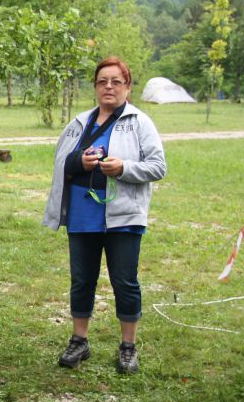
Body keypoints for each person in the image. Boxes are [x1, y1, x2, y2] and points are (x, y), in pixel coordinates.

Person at [44, 57, 166, 374]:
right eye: (102, 81)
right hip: (83, 214)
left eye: (115, 81)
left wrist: (124, 168)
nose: (108, 87)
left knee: (125, 282)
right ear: (96, 87)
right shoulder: (79, 123)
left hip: (124, 217)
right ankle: (79, 340)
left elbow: (158, 166)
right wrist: (79, 163)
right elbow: (61, 164)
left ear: (127, 86)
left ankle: (128, 347)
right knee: (82, 280)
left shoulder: (140, 122)